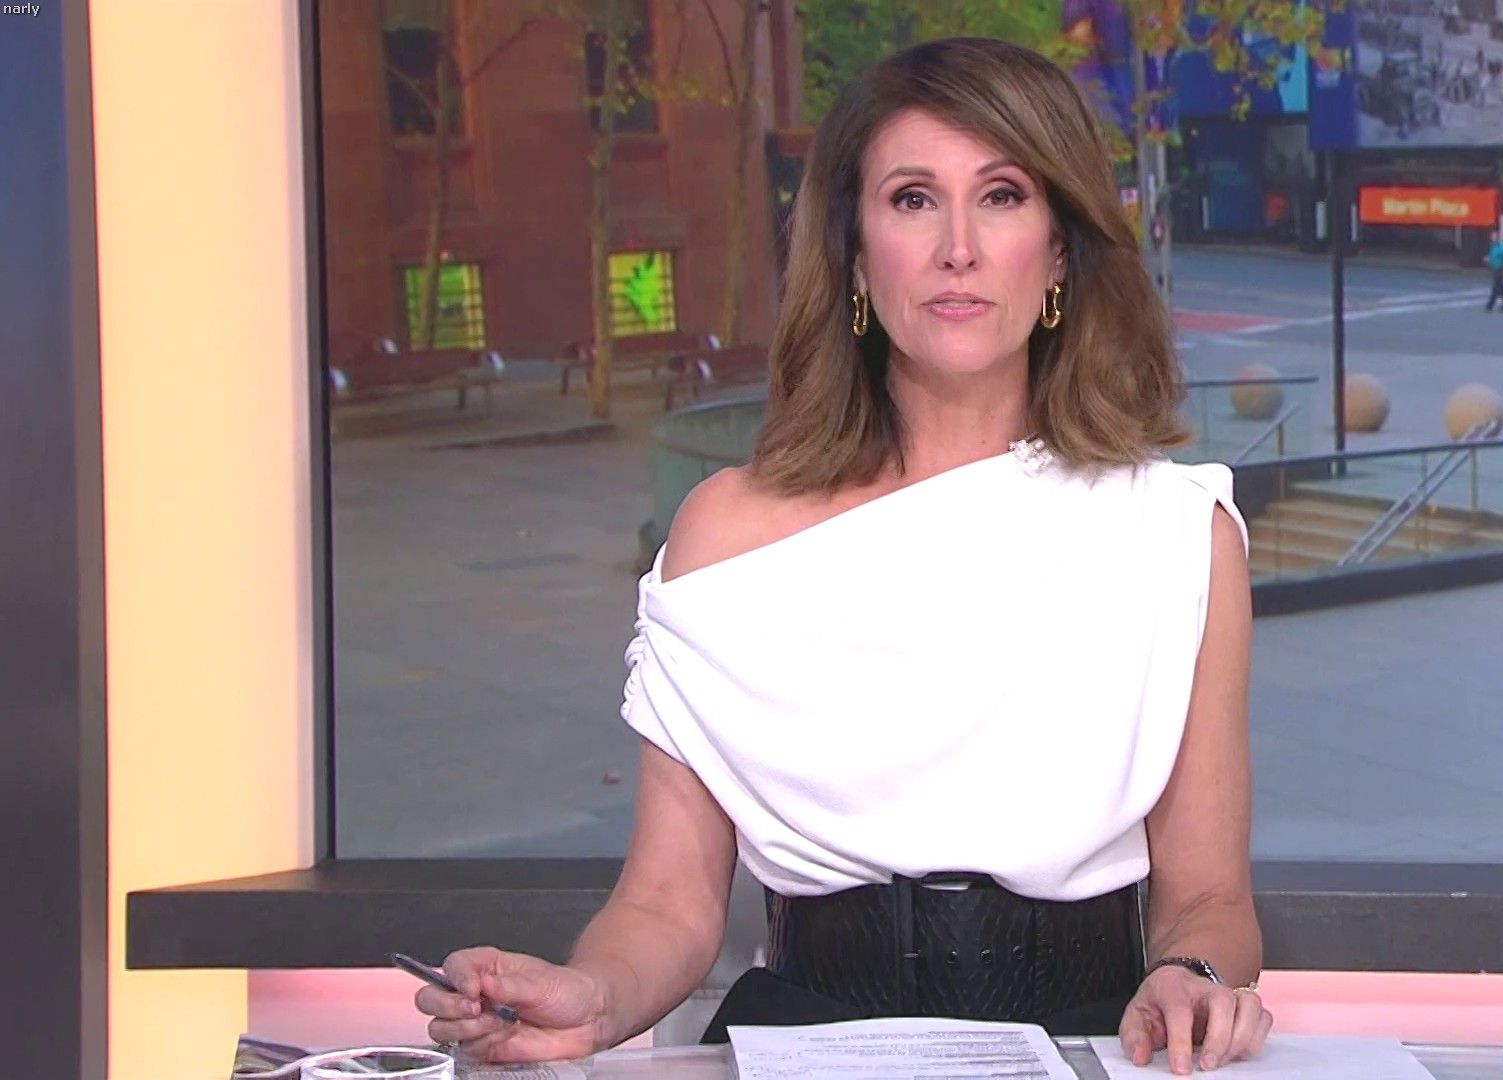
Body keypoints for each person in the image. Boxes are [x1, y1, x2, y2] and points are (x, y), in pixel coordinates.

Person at [412, 37, 1267, 1076]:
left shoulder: (1175, 536)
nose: (958, 247)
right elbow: (667, 904)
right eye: (913, 199)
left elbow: (1208, 897)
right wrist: (590, 998)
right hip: (800, 1036)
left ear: (1058, 255)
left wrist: (1193, 977)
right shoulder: (727, 538)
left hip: (1089, 1040)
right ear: (857, 257)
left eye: (1001, 197)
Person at [1485, 231, 1503, 312]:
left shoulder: (1502, 247)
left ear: (1498, 238)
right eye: (1492, 237)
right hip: (1494, 268)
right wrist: (1488, 259)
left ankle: (1490, 305)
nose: (1493, 238)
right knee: (1500, 287)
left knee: (1496, 287)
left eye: (1495, 237)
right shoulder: (1493, 247)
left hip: (1500, 269)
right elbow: (1492, 256)